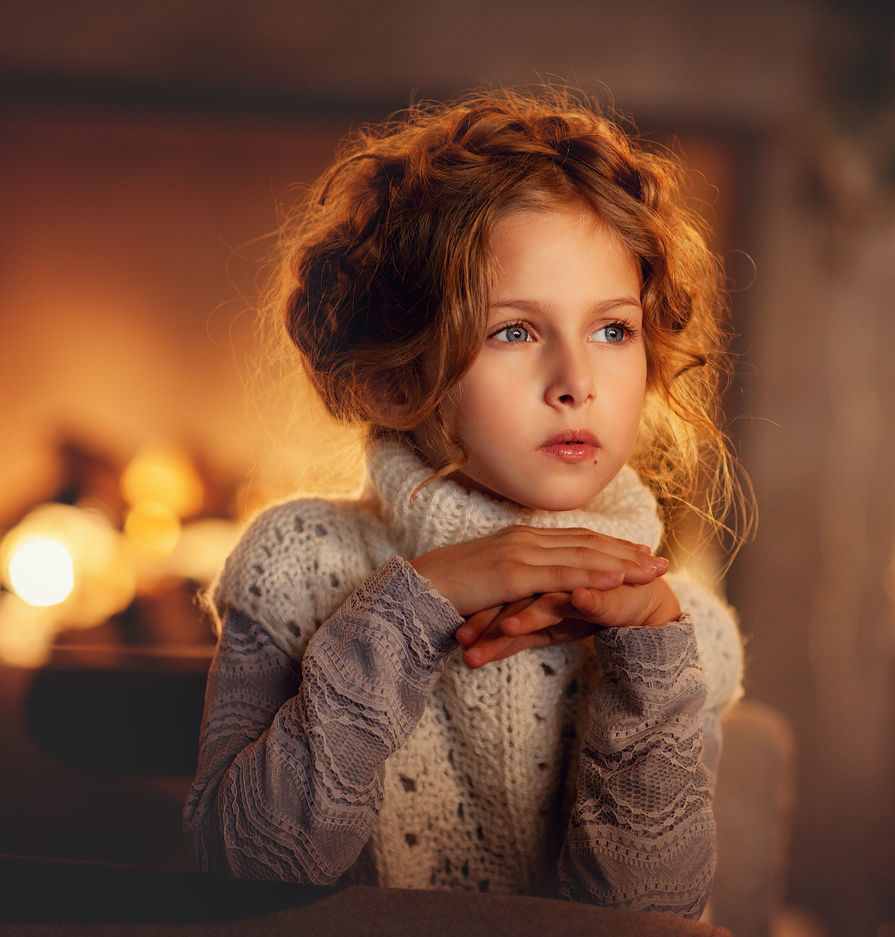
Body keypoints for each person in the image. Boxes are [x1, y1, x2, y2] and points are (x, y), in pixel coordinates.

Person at [182, 87, 750, 921]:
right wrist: (416, 602)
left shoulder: (683, 629)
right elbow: (244, 873)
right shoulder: (298, 563)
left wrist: (649, 663)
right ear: (397, 374)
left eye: (613, 330)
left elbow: (653, 916)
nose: (577, 383)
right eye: (514, 331)